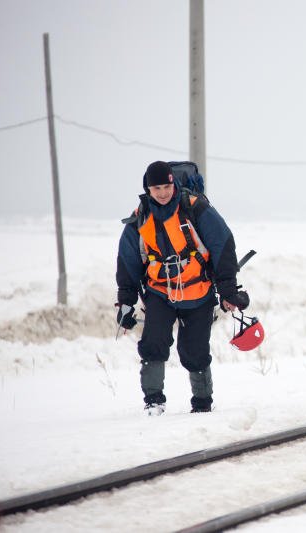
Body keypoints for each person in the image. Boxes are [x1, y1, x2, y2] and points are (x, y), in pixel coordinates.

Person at [115, 161, 249, 415]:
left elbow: (223, 247)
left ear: (174, 184)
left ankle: (202, 403)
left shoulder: (196, 209)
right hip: (159, 292)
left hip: (198, 292)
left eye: (166, 186)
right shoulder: (140, 218)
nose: (163, 193)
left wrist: (228, 291)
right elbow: (127, 262)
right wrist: (125, 301)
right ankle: (153, 402)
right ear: (148, 189)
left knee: (195, 350)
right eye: (157, 188)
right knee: (153, 343)